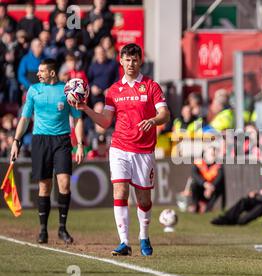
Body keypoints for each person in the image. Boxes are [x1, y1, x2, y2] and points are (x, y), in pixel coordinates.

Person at [75, 44, 170, 257]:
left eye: (134, 60)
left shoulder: (151, 86)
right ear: (121, 61)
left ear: (140, 61)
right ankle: (124, 241)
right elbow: (106, 122)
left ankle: (144, 236)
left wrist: (153, 121)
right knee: (120, 192)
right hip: (119, 147)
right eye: (127, 60)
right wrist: (87, 109)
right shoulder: (113, 90)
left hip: (144, 150)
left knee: (143, 198)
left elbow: (165, 114)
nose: (131, 64)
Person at [9, 58, 84, 244]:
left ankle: (62, 228)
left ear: (52, 73)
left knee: (64, 183)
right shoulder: (34, 90)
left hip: (62, 141)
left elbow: (77, 119)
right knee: (44, 186)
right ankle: (43, 229)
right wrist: (16, 141)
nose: (37, 74)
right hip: (40, 140)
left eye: (41, 71)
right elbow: (25, 119)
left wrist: (80, 144)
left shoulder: (67, 90)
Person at [211, 159, 262, 226]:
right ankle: (226, 218)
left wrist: (257, 197)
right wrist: (257, 194)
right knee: (245, 201)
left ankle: (239, 221)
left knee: (260, 207)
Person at [189, 146, 225, 214]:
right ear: (206, 154)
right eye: (212, 154)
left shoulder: (218, 165)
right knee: (194, 185)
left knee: (219, 188)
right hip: (202, 187)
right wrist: (204, 184)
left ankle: (208, 207)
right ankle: (195, 205)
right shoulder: (199, 163)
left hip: (212, 189)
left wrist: (211, 187)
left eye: (214, 154)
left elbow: (219, 178)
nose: (213, 156)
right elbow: (194, 174)